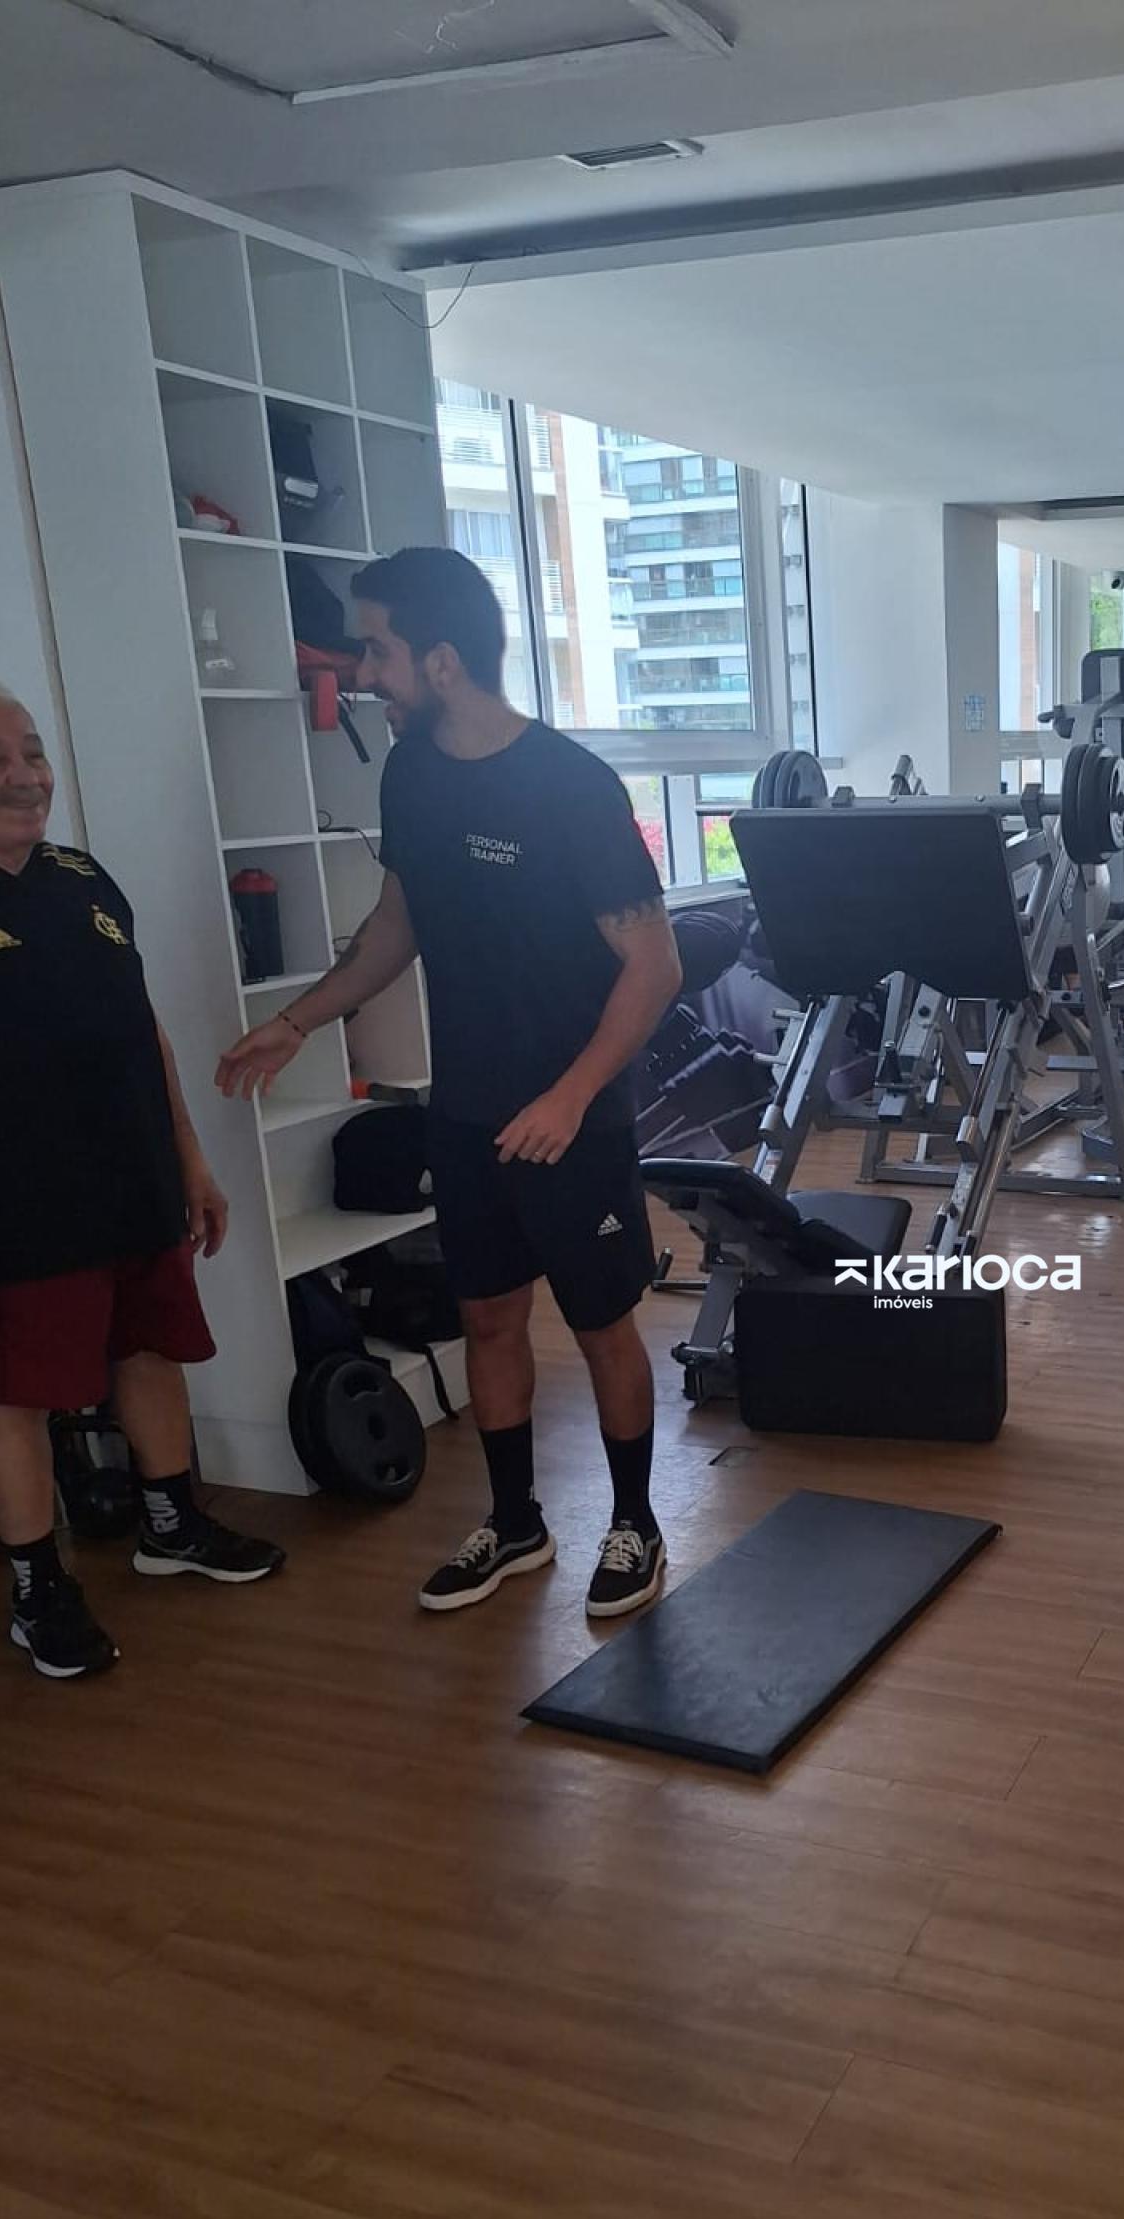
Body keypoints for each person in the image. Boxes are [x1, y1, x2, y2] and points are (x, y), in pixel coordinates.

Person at [217, 549, 684, 1620]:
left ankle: (636, 1525)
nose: (362, 672)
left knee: (604, 1325)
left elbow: (655, 966)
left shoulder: (571, 784)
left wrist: (570, 1096)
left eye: (375, 649)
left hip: (572, 1118)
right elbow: (398, 925)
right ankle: (515, 1523)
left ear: (441, 659)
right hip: (467, 1111)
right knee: (487, 1320)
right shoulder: (411, 774)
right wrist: (297, 1022)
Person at [0, 690, 284, 1679]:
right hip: (24, 1207)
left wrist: (190, 1158)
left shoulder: (83, 878)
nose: (26, 776)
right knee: (18, 1398)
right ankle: (37, 1588)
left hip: (133, 1180)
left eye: (33, 753)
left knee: (152, 1351)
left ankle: (172, 1524)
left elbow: (143, 1029)